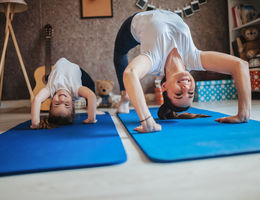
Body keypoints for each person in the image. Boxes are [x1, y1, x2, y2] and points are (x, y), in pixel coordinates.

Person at [113, 9, 251, 133]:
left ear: (164, 86)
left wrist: (147, 120)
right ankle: (127, 96)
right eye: (191, 92)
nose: (186, 87)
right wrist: (243, 114)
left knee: (120, 53)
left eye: (179, 93)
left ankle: (125, 96)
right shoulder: (193, 58)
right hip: (168, 13)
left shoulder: (154, 61)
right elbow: (240, 65)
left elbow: (130, 73)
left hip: (136, 22)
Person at [31, 57, 97, 129]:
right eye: (66, 105)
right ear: (72, 103)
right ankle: (91, 108)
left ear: (51, 101)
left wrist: (35, 123)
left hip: (58, 67)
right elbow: (91, 95)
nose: (62, 99)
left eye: (56, 104)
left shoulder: (50, 90)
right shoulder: (76, 90)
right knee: (91, 85)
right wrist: (91, 117)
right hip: (75, 69)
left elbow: (37, 99)